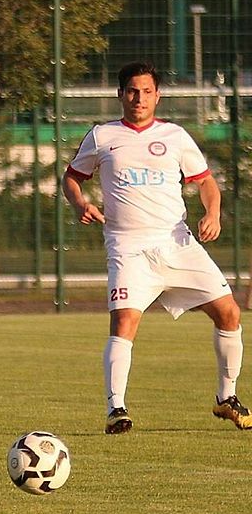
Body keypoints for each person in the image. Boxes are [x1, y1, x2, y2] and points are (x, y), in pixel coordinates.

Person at [63, 61, 250, 434]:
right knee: (125, 321)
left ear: (157, 96)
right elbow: (72, 178)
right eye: (132, 91)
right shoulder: (102, 136)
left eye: (147, 91)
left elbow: (206, 181)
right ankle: (116, 408)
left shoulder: (176, 136)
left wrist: (213, 212)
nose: (139, 98)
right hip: (128, 247)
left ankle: (225, 398)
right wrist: (81, 204)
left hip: (177, 242)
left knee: (229, 313)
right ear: (120, 95)